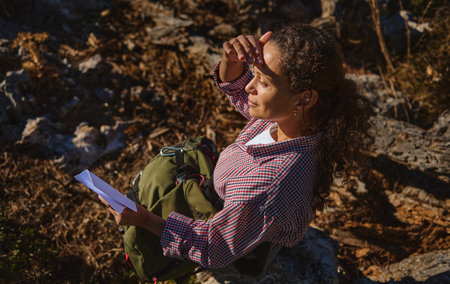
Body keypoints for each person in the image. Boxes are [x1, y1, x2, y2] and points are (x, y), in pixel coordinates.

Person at [99, 23, 373, 271]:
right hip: (238, 207)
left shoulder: (267, 183)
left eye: (263, 82)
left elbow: (213, 247)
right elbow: (237, 87)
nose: (250, 86)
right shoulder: (300, 121)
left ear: (305, 98)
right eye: (254, 74)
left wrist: (145, 220)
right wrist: (232, 59)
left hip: (235, 235)